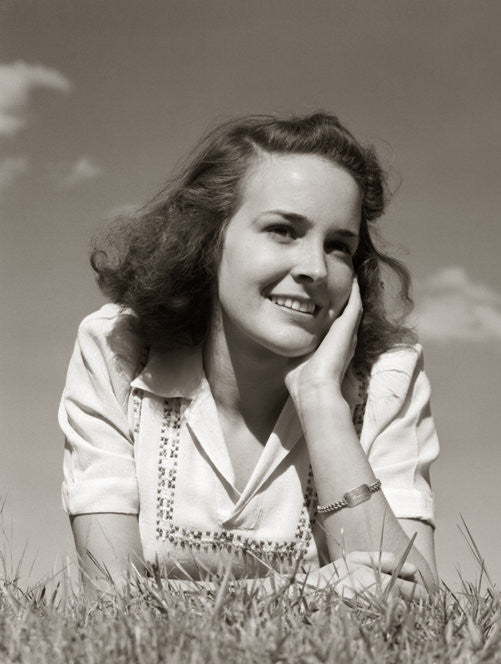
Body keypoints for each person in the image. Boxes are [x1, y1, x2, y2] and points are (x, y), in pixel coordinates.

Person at [59, 113, 439, 599]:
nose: (315, 268)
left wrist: (322, 401)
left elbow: (414, 606)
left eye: (340, 246)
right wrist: (310, 595)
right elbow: (108, 601)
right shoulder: (117, 348)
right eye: (283, 230)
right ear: (209, 240)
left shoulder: (389, 371)